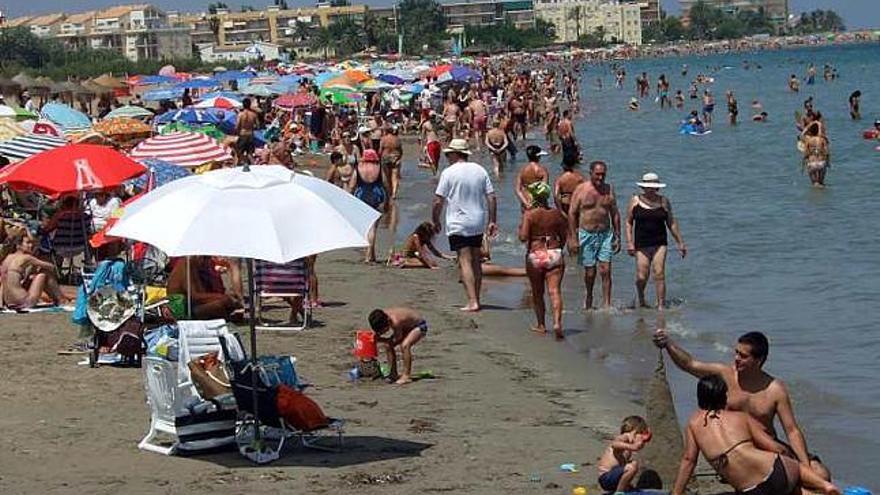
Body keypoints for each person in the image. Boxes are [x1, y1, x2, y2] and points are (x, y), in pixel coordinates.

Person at [653, 330, 832, 481]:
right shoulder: (725, 375)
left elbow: (792, 430)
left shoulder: (774, 389)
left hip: (768, 447)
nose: (736, 359)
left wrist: (805, 464)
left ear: (759, 360)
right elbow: (689, 364)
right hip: (736, 450)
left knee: (821, 473)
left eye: (743, 356)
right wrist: (668, 344)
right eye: (736, 353)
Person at [672, 375, 840, 495]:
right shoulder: (740, 417)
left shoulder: (693, 424)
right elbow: (775, 447)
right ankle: (823, 485)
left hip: (752, 489)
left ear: (699, 397)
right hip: (778, 471)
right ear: (724, 397)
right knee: (788, 466)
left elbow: (689, 461)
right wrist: (795, 462)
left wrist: (677, 493)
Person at [432, 139, 497, 312]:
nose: (447, 157)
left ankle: (472, 301)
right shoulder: (480, 170)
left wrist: (435, 219)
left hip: (458, 221)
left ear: (455, 154)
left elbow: (438, 200)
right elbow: (491, 197)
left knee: (464, 260)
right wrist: (492, 220)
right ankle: (477, 298)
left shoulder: (449, 172)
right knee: (476, 259)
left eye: (448, 154)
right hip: (477, 220)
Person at [625, 173, 686, 309]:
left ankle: (661, 306)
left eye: (654, 187)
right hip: (641, 243)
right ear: (643, 187)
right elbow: (628, 222)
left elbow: (671, 222)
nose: (651, 190)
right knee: (642, 276)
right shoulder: (635, 200)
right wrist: (629, 242)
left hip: (660, 243)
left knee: (659, 273)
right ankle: (641, 297)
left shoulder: (664, 201)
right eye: (648, 187)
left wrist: (680, 242)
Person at [568, 161, 620, 310]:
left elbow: (614, 213)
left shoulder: (609, 189)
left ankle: (606, 304)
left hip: (605, 234)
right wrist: (572, 237)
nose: (601, 177)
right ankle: (589, 296)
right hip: (586, 234)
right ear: (590, 173)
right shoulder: (581, 190)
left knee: (606, 270)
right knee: (590, 272)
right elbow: (572, 213)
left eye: (603, 174)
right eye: (597, 174)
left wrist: (618, 236)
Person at [519, 182, 567, 339]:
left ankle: (541, 325)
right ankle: (557, 323)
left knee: (537, 292)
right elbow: (564, 236)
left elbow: (523, 237)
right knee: (555, 291)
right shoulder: (556, 214)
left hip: (536, 253)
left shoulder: (530, 214)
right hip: (554, 252)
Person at [1, 233, 66, 309]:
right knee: (44, 273)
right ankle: (61, 299)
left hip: (9, 302)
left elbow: (3, 282)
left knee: (31, 278)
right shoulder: (27, 258)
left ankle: (58, 299)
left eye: (33, 244)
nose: (31, 246)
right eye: (28, 243)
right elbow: (51, 267)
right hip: (24, 301)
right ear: (19, 245)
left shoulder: (7, 258)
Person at [167, 256, 243, 321]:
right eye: (205, 259)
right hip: (183, 308)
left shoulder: (196, 266)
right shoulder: (186, 264)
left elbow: (202, 293)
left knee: (228, 303)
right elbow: (194, 296)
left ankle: (228, 314)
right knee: (222, 303)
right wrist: (223, 298)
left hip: (194, 304)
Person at [369, 307, 427, 385]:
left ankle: (406, 376)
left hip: (419, 326)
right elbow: (378, 332)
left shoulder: (396, 321)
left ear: (388, 321)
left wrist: (381, 340)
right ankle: (393, 374)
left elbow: (398, 339)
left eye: (384, 330)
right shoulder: (380, 317)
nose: (383, 332)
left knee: (405, 345)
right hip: (405, 327)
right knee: (388, 346)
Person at [349, 149, 387, 263]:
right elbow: (385, 184)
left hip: (361, 197)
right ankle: (370, 255)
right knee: (373, 227)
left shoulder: (359, 168)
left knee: (366, 227)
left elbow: (352, 185)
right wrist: (388, 199)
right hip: (376, 197)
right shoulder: (378, 168)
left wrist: (350, 198)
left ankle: (370, 255)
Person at [597, 416, 651, 494]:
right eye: (640, 434)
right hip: (606, 477)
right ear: (634, 431)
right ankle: (619, 492)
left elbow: (621, 465)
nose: (641, 440)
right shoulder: (625, 437)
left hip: (613, 478)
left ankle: (624, 488)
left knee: (631, 464)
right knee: (632, 466)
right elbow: (614, 444)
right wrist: (633, 446)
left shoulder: (628, 448)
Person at [515, 145, 550, 211]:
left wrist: (525, 203)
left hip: (526, 203)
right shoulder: (542, 170)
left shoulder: (522, 170)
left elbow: (518, 190)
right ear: (538, 157)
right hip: (540, 204)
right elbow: (544, 190)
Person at [801, 121, 829, 188]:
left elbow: (805, 153)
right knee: (821, 184)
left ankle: (815, 196)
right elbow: (827, 152)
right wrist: (828, 163)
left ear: (810, 131)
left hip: (812, 163)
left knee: (815, 185)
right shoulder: (823, 139)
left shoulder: (808, 140)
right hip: (821, 163)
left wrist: (809, 126)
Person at [379, 125, 403, 199]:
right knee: (394, 176)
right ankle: (394, 193)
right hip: (395, 157)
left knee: (386, 176)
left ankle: (388, 192)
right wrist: (399, 158)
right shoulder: (397, 139)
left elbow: (380, 150)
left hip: (386, 157)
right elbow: (401, 151)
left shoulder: (383, 139)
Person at [235, 98, 259, 164]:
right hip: (251, 135)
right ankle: (255, 167)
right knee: (250, 154)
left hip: (242, 135)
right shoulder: (254, 114)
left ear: (243, 105)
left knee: (239, 154)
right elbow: (258, 126)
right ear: (250, 105)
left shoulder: (240, 114)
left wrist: (237, 133)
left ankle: (237, 167)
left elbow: (237, 126)